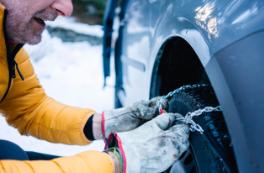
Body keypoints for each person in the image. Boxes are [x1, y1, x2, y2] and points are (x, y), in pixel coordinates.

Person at [0, 0, 190, 173]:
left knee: (9, 152)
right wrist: (116, 162)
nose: (66, 9)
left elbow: (29, 109)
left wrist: (103, 124)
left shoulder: (5, 43)